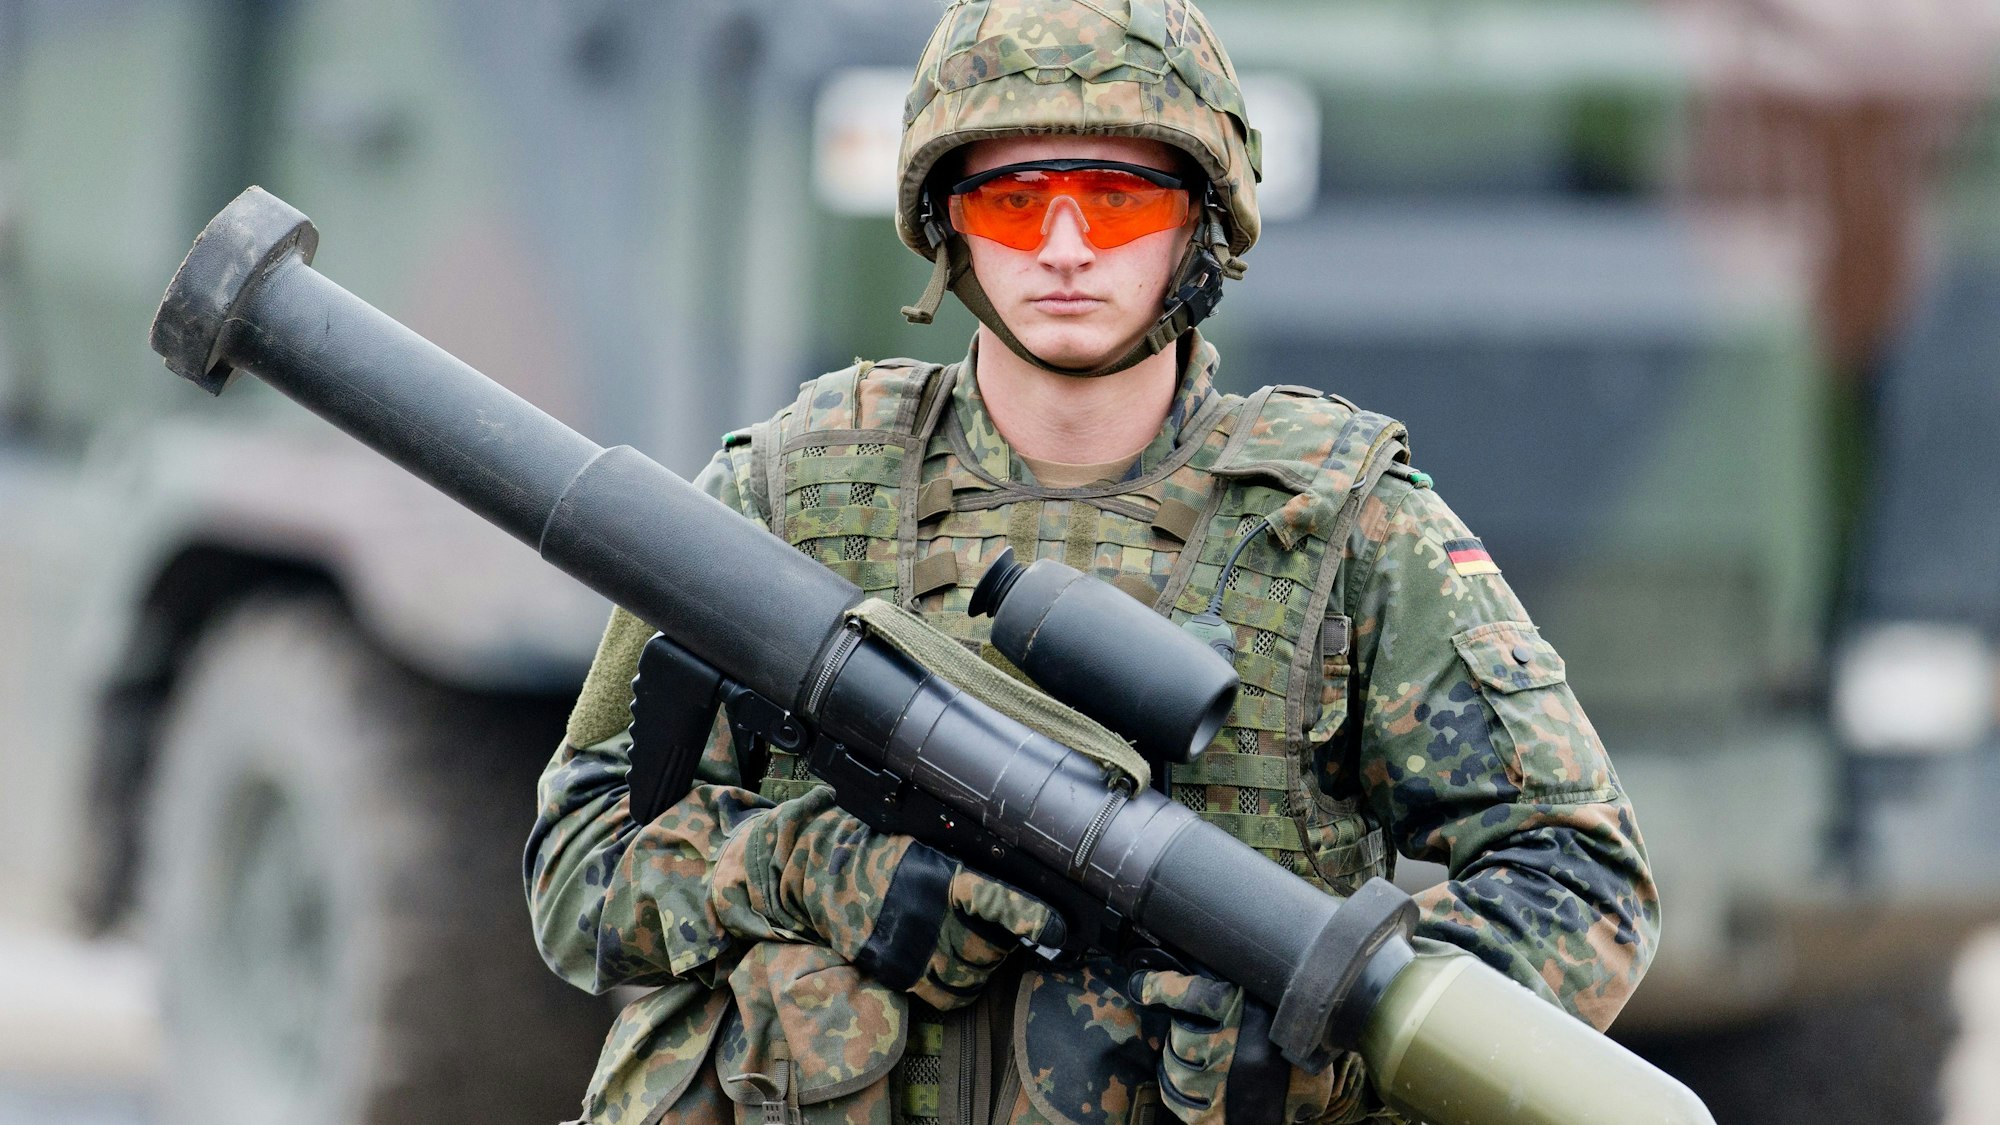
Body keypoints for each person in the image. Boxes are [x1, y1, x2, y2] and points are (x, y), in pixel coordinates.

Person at [526, 1, 1659, 1122]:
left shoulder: (1337, 525)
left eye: (1116, 201)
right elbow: (577, 873)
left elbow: (1581, 878)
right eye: (1014, 203)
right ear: (949, 225)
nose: (1063, 248)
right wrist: (820, 870)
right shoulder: (789, 493)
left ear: (1198, 223)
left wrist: (1323, 1049)